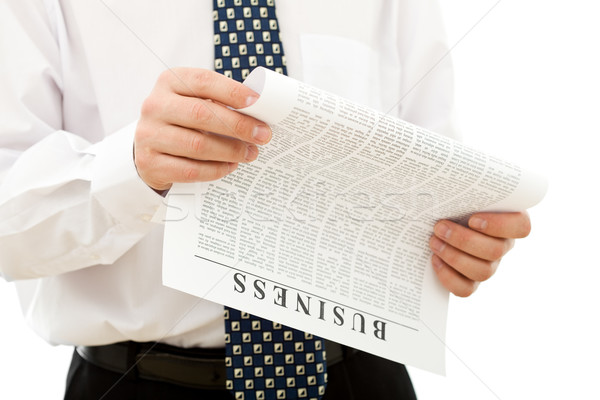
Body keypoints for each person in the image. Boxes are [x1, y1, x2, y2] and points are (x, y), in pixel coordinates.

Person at [0, 0, 531, 399]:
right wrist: (133, 169)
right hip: (137, 384)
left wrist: (461, 242)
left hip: (361, 377)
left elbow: (433, 166)